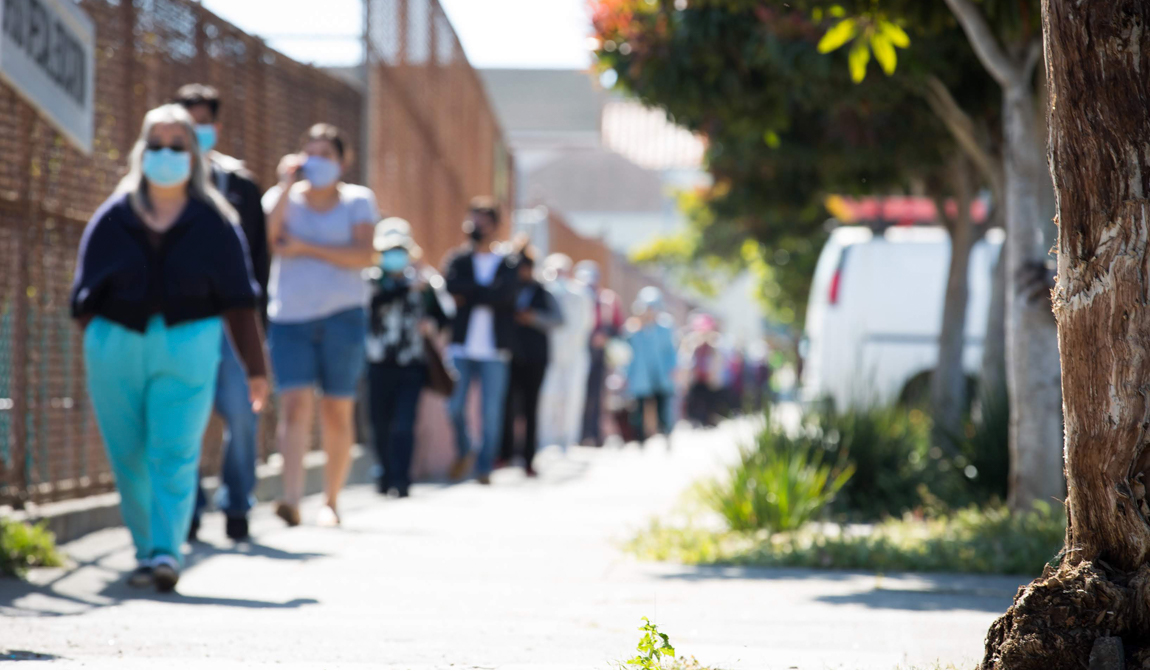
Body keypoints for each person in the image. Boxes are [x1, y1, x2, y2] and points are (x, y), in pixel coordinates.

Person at [71, 104, 268, 592]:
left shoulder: (216, 221)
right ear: (141, 150)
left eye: (177, 145)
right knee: (128, 453)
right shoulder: (113, 215)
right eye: (156, 144)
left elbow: (240, 301)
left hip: (190, 342)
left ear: (194, 155)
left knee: (175, 451)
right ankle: (144, 548)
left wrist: (255, 369)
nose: (166, 154)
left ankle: (166, 551)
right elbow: (82, 294)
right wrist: (98, 337)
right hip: (115, 343)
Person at [264, 123, 379, 526]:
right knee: (293, 405)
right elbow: (269, 240)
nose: (318, 162)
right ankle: (291, 498)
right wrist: (282, 185)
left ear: (342, 161)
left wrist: (306, 248)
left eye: (326, 154)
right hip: (290, 317)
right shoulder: (283, 199)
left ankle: (331, 501)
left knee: (336, 409)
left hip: (343, 316)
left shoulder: (358, 201)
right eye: (310, 153)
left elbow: (365, 254)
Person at [176, 84, 270, 543]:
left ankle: (237, 506)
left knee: (243, 417)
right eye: (188, 123)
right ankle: (187, 510)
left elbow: (260, 262)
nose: (198, 131)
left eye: (204, 122)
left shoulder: (242, 186)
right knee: (183, 417)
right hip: (184, 321)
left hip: (233, 322)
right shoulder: (164, 186)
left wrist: (257, 330)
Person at [365, 218, 451, 497]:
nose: (394, 255)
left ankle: (402, 479)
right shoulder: (371, 280)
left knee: (404, 422)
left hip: (412, 364)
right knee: (379, 423)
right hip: (377, 363)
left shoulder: (426, 282)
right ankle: (385, 473)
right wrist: (404, 289)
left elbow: (445, 315)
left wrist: (431, 323)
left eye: (399, 249)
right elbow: (372, 304)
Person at [443, 198, 519, 485]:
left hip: (495, 349)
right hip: (461, 346)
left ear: (495, 225)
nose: (478, 226)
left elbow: (505, 296)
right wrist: (486, 293)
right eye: (474, 219)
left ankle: (484, 466)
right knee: (454, 406)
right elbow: (452, 288)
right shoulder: (458, 260)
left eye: (484, 220)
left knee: (491, 411)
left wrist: (472, 294)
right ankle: (466, 451)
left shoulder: (508, 262)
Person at [499, 249, 564, 476]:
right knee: (507, 406)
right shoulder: (509, 291)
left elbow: (558, 319)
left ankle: (528, 458)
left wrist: (533, 318)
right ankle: (505, 454)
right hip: (512, 355)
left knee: (530, 408)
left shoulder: (542, 291)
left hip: (536, 358)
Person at [537, 254, 594, 451]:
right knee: (548, 397)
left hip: (574, 354)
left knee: (572, 398)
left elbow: (587, 324)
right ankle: (545, 439)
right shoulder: (545, 291)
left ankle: (567, 440)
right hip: (549, 354)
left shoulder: (580, 294)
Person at [575, 261, 624, 446]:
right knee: (578, 394)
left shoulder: (608, 299)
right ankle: (579, 434)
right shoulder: (576, 296)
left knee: (597, 396)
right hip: (578, 352)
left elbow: (618, 327)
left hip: (599, 355)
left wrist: (605, 335)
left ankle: (594, 435)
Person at [625, 287, 678, 443]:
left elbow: (671, 350)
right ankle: (640, 437)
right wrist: (626, 374)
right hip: (641, 374)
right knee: (639, 407)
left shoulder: (665, 327)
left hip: (661, 374)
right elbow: (628, 353)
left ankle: (665, 433)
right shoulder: (634, 328)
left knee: (663, 405)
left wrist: (673, 368)